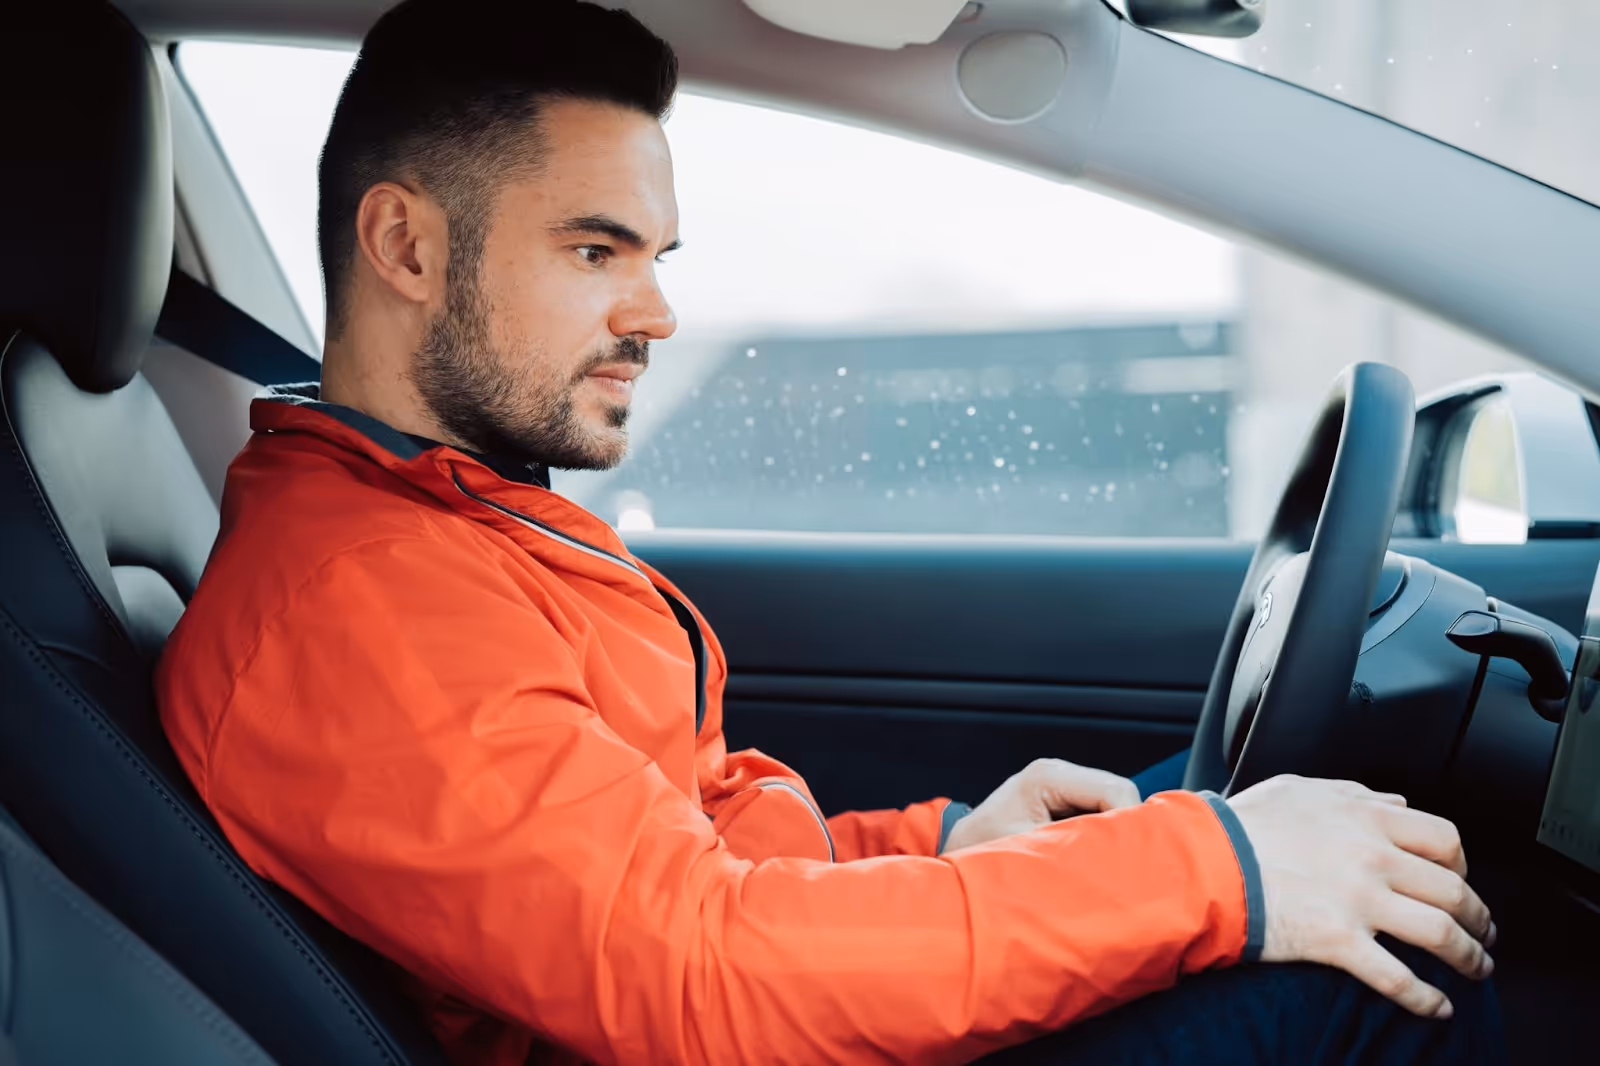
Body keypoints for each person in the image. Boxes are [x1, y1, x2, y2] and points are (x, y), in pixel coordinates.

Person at [156, 1, 1504, 1062]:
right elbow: (699, 973)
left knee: (1204, 821)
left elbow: (674, 853)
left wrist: (942, 846)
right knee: (1375, 984)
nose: (655, 314)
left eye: (656, 259)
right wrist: (1221, 871)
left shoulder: (444, 515)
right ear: (404, 246)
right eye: (593, 252)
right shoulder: (356, 606)